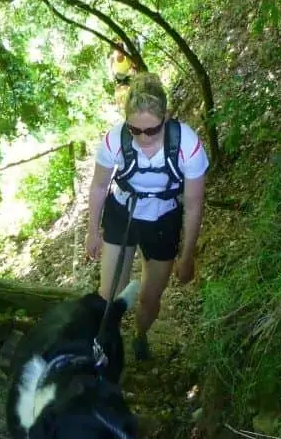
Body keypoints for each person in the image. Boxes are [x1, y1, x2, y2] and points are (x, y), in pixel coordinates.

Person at [86, 73, 209, 361]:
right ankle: (106, 350)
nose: (142, 138)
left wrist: (187, 255)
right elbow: (99, 185)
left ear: (166, 117)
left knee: (149, 298)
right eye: (134, 130)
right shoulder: (114, 139)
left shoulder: (187, 145)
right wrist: (93, 231)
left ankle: (140, 336)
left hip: (164, 220)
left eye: (151, 131)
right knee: (108, 295)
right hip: (122, 213)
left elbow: (193, 206)